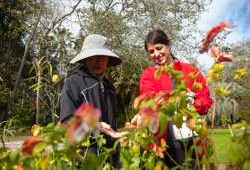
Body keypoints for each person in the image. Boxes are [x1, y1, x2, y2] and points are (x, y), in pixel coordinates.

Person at [132, 29, 213, 169]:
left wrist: (190, 103)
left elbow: (205, 100)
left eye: (159, 48)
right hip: (159, 140)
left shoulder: (191, 70)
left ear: (168, 45)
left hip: (189, 139)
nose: (156, 54)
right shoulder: (149, 74)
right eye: (151, 51)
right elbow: (149, 102)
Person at [60, 34, 128, 168]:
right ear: (85, 58)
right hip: (85, 159)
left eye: (103, 57)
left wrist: (117, 155)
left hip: (109, 160)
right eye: (95, 56)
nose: (99, 61)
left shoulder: (110, 86)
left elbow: (112, 126)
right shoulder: (74, 82)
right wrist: (96, 126)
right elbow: (68, 122)